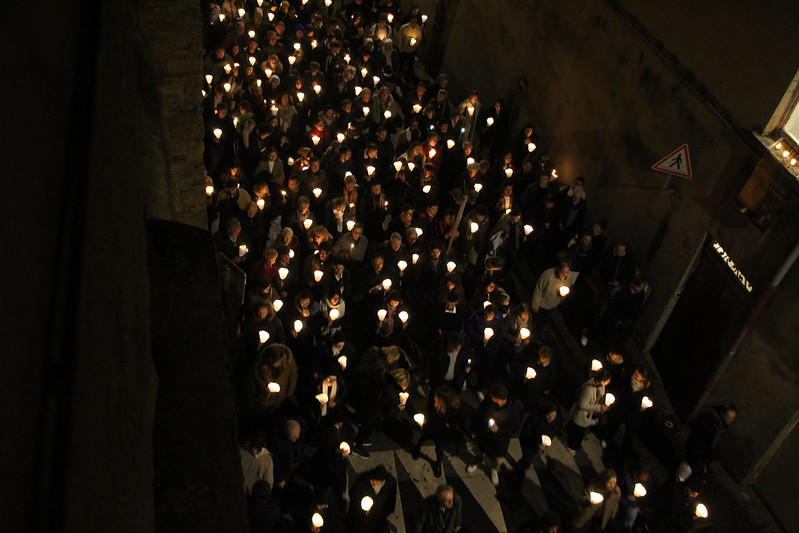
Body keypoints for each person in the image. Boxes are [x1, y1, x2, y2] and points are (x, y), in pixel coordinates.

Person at [466, 383, 521, 486]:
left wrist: (498, 429)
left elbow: (515, 429)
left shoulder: (513, 411)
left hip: (499, 441)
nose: (489, 397)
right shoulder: (488, 400)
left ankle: (493, 470)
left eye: (491, 397)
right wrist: (475, 429)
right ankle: (477, 461)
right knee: (479, 450)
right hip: (483, 435)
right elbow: (479, 413)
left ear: (498, 399)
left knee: (496, 458)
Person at [411, 386, 469, 477]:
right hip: (431, 428)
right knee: (423, 438)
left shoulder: (455, 411)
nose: (435, 403)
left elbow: (460, 423)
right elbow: (428, 411)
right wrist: (423, 421)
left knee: (439, 448)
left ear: (444, 403)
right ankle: (417, 448)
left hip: (444, 434)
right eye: (434, 400)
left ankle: (438, 463)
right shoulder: (434, 404)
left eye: (437, 401)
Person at [677, 404, 737, 484]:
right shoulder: (710, 422)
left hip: (700, 451)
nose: (731, 421)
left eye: (733, 419)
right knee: (687, 471)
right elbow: (701, 440)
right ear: (723, 414)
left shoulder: (720, 425)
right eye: (729, 418)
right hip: (695, 450)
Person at [566, 369, 610, 454]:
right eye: (607, 381)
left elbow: (601, 392)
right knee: (577, 431)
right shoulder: (589, 389)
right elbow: (582, 405)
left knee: (579, 431)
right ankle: (571, 445)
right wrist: (599, 407)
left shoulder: (599, 386)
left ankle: (573, 443)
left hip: (586, 416)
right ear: (602, 380)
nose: (608, 383)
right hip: (581, 415)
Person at [347, 465, 398, 533]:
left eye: (378, 482)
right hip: (360, 517)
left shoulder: (390, 483)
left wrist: (381, 512)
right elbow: (354, 494)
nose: (375, 483)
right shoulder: (362, 480)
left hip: (377, 517)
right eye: (373, 481)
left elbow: (391, 503)